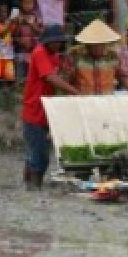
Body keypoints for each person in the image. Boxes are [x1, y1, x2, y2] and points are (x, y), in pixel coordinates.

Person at [21, 25, 79, 189]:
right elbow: (50, 78)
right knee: (41, 154)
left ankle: (28, 183)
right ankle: (34, 185)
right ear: (48, 41)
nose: (58, 46)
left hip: (44, 110)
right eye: (56, 43)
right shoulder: (40, 53)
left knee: (35, 149)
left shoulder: (52, 55)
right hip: (34, 110)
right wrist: (74, 91)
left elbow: (57, 76)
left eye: (60, 43)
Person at [65, 19, 128, 96]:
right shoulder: (75, 55)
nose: (99, 48)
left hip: (106, 101)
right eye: (95, 44)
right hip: (82, 101)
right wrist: (73, 94)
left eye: (102, 44)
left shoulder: (113, 56)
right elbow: (67, 79)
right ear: (88, 43)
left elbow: (123, 76)